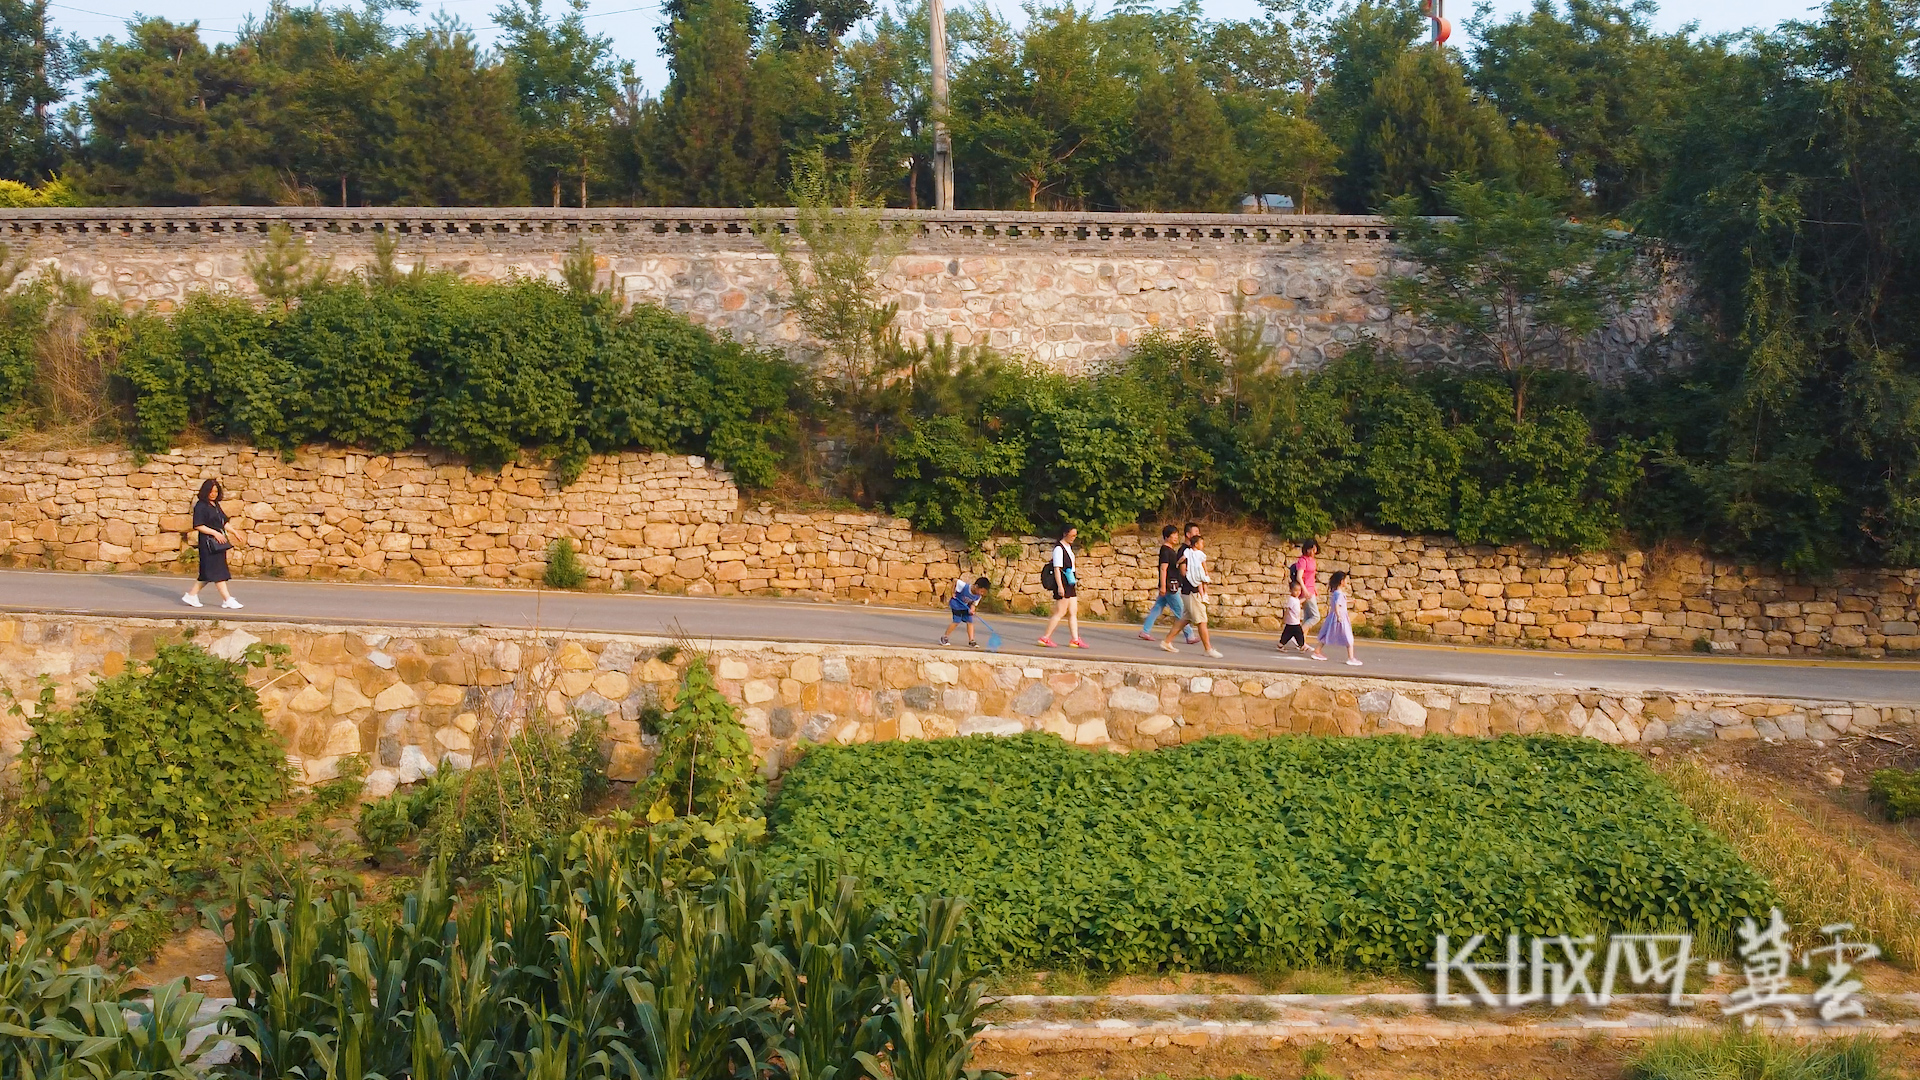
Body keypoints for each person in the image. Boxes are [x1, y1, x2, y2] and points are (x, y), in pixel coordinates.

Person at [182, 478, 242, 609]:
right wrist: (214, 533)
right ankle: (228, 599)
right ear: (205, 491)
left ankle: (191, 595)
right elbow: (198, 525)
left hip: (218, 543)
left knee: (207, 573)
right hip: (208, 543)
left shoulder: (215, 505)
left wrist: (234, 532)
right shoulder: (201, 505)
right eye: (211, 491)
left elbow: (223, 522)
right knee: (217, 571)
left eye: (215, 491)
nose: (213, 494)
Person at [1162, 534, 1224, 658]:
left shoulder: (1196, 555)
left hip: (1190, 592)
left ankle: (1167, 642)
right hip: (1191, 592)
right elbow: (1183, 572)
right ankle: (1208, 648)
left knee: (1184, 619)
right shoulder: (1186, 554)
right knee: (1202, 620)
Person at [1038, 526, 1087, 648]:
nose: (1074, 538)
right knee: (1060, 612)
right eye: (1072, 535)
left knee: (1072, 611)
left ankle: (1075, 639)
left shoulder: (1068, 547)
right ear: (1065, 533)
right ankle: (1045, 637)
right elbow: (1057, 569)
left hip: (1070, 582)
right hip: (1063, 584)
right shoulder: (1059, 549)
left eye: (1075, 535)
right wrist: (1060, 587)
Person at [1138, 525, 1185, 640]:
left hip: (1170, 583)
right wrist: (1163, 586)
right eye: (1173, 535)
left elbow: (1172, 566)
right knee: (1181, 611)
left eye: (1176, 535)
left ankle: (1145, 631)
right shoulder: (1165, 550)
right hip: (1169, 585)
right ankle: (1190, 635)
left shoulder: (1170, 550)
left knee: (1157, 608)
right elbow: (1163, 568)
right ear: (1166, 536)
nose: (1175, 537)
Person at [1315, 569, 1361, 666]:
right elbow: (1337, 605)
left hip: (1333, 617)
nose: (1347, 582)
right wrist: (1339, 616)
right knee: (1348, 636)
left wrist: (1349, 601)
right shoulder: (1339, 594)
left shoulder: (1336, 593)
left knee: (1327, 633)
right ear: (1342, 581)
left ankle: (1317, 651)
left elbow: (1339, 602)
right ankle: (1351, 658)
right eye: (1346, 580)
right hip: (1340, 617)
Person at [942, 575, 991, 647]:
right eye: (981, 591)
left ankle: (971, 640)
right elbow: (955, 581)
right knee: (957, 621)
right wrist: (952, 592)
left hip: (966, 606)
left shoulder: (978, 596)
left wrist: (972, 609)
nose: (982, 593)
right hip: (956, 604)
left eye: (983, 592)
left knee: (970, 621)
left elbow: (974, 604)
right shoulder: (964, 586)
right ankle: (944, 637)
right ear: (976, 586)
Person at [1294, 538, 1322, 634]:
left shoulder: (1312, 560)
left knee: (1307, 617)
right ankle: (1298, 634)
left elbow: (1311, 576)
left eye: (1314, 549)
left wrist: (1314, 588)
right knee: (1316, 616)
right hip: (1306, 591)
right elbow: (1299, 577)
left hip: (1311, 589)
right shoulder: (1302, 560)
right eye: (1311, 549)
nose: (1313, 552)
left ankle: (1302, 642)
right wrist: (1305, 590)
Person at [1278, 578, 1309, 654]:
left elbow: (1299, 602)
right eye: (1296, 590)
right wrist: (1285, 619)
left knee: (1288, 634)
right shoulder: (1291, 600)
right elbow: (1288, 610)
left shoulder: (1295, 599)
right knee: (1299, 633)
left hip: (1294, 621)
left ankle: (1281, 644)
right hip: (1293, 621)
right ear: (1291, 590)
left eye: (1299, 590)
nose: (1298, 592)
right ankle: (1302, 645)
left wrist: (1305, 598)